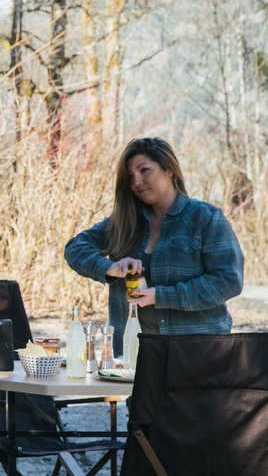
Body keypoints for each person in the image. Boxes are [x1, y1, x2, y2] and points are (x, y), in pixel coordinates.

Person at [64, 137, 243, 355]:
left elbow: (229, 281)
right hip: (134, 355)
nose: (136, 182)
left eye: (144, 170)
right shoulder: (124, 221)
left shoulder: (206, 218)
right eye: (130, 177)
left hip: (198, 353)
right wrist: (110, 268)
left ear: (169, 170)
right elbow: (75, 247)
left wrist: (160, 296)